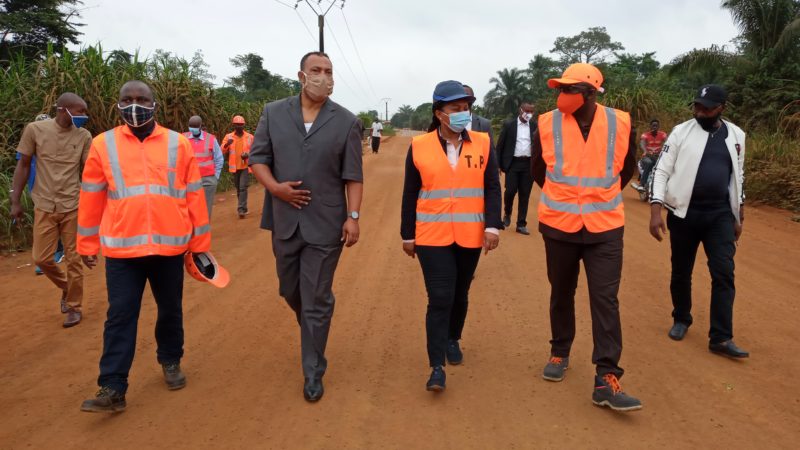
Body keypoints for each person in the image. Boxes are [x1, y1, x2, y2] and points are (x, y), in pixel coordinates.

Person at [77, 80, 211, 412]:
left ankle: (170, 360)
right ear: (118, 104)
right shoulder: (103, 144)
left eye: (141, 99)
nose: (134, 105)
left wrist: (200, 244)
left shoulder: (178, 144)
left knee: (170, 309)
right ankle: (112, 386)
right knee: (120, 315)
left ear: (154, 105)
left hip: (169, 248)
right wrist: (87, 243)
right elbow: (91, 196)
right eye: (127, 99)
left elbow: (194, 195)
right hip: (123, 250)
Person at [249, 51, 363, 403]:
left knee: (314, 298)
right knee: (290, 290)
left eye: (328, 71)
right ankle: (316, 317)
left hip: (326, 224)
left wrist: (353, 216)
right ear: (301, 75)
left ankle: (313, 371)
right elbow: (258, 159)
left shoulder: (347, 121)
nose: (323, 76)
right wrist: (275, 189)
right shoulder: (273, 113)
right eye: (316, 70)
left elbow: (353, 175)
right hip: (284, 220)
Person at [532, 63, 642, 411]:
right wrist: (567, 199)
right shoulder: (546, 123)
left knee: (605, 300)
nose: (562, 96)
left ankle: (606, 377)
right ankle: (559, 351)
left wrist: (596, 199)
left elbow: (626, 168)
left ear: (591, 93)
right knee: (561, 292)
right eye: (560, 89)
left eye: (570, 90)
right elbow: (539, 170)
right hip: (559, 225)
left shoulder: (620, 122)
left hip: (604, 227)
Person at [401, 80, 502, 392]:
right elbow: (410, 192)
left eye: (466, 107)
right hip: (432, 235)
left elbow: (492, 187)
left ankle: (452, 338)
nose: (463, 112)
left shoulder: (483, 143)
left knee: (460, 294)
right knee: (440, 297)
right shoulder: (419, 146)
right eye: (456, 108)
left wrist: (492, 226)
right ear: (439, 113)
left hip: (470, 234)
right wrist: (407, 234)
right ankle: (436, 366)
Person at [649, 84, 748, 359]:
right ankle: (681, 318)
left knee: (724, 272)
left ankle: (721, 337)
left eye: (707, 108)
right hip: (684, 214)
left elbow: (738, 175)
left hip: (720, 215)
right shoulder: (681, 132)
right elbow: (661, 170)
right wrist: (656, 210)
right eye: (697, 106)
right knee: (681, 271)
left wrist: (739, 212)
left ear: (721, 108)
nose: (700, 112)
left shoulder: (737, 135)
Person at [10, 93, 92, 328]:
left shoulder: (84, 136)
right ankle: (66, 287)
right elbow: (23, 165)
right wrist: (15, 200)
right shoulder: (35, 130)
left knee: (74, 259)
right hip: (44, 204)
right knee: (42, 258)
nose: (83, 116)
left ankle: (74, 307)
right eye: (79, 111)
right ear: (63, 109)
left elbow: (90, 170)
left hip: (73, 204)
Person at [16, 114, 66, 275]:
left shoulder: (58, 144)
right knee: (43, 223)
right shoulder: (28, 145)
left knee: (57, 220)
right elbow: (21, 168)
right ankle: (47, 256)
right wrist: (15, 195)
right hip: (36, 190)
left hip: (57, 190)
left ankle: (57, 252)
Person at [497, 102, 537, 235]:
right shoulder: (509, 125)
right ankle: (507, 213)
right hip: (513, 163)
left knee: (525, 194)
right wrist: (498, 164)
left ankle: (521, 224)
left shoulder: (534, 126)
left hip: (528, 164)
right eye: (527, 111)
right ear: (520, 110)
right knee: (510, 191)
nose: (529, 114)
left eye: (531, 112)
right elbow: (500, 145)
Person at [184, 115, 224, 219]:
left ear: (200, 126)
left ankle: (204, 229)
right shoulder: (183, 138)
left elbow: (219, 159)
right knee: (189, 208)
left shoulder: (210, 139)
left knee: (205, 209)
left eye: (195, 126)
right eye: (191, 126)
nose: (192, 129)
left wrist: (215, 177)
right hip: (189, 180)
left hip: (208, 180)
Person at [222, 115, 254, 218]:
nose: (239, 126)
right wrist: (227, 144)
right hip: (234, 167)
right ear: (233, 125)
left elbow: (256, 150)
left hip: (245, 166)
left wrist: (248, 155)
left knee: (243, 187)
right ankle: (244, 207)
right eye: (237, 124)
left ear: (244, 125)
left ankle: (241, 209)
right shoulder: (228, 137)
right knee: (238, 188)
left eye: (240, 124)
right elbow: (222, 150)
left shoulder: (250, 137)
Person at [632, 118, 667, 192]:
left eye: (656, 126)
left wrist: (665, 149)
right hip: (647, 156)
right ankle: (641, 184)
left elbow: (667, 142)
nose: (655, 127)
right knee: (649, 163)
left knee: (666, 165)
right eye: (653, 126)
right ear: (650, 126)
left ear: (658, 127)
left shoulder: (663, 135)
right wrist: (645, 151)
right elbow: (642, 143)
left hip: (658, 156)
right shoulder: (645, 135)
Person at [462, 85, 496, 157]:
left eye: (467, 96)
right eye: (461, 95)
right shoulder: (449, 121)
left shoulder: (484, 124)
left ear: (473, 100)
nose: (464, 98)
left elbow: (491, 151)